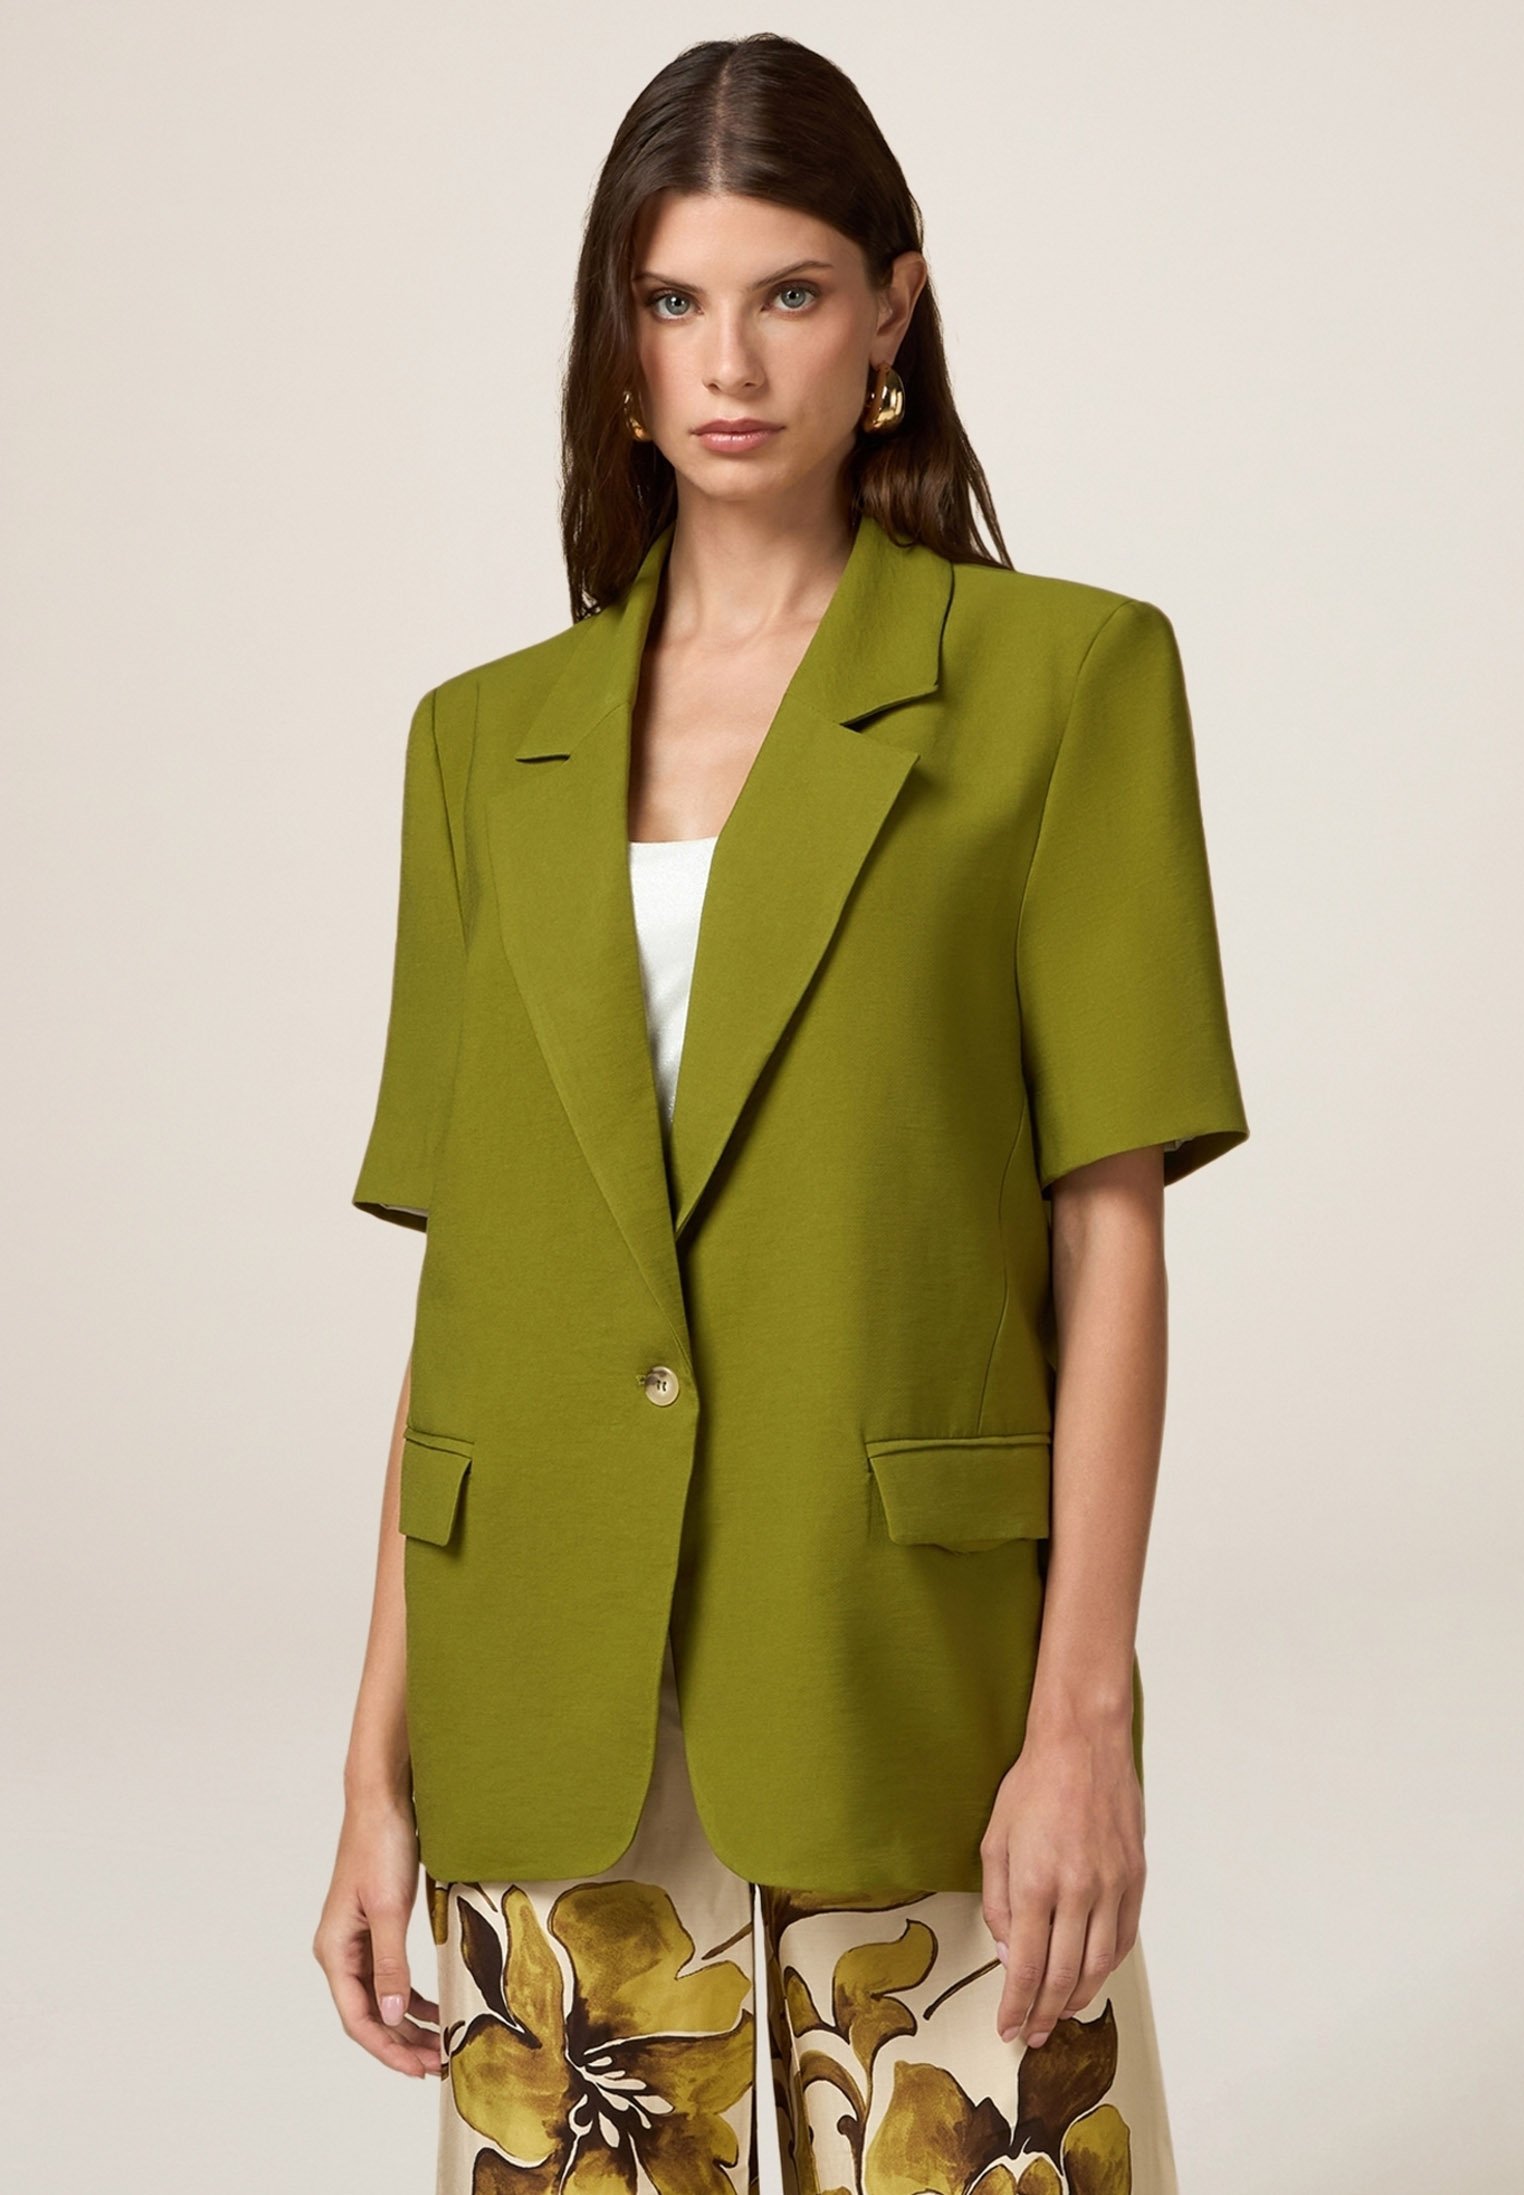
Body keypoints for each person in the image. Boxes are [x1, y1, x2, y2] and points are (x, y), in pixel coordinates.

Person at [313, 33, 1249, 2195]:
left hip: (905, 1680)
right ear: (617, 338)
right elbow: (471, 1298)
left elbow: (1109, 1229)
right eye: (673, 300)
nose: (728, 363)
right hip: (544, 1686)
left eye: (791, 293)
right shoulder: (480, 749)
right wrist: (374, 1767)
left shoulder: (1068, 685)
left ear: (892, 312)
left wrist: (1083, 1718)